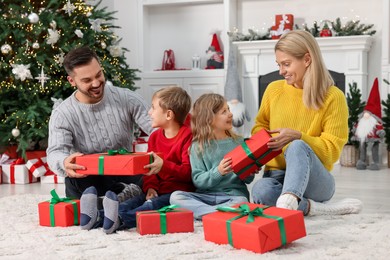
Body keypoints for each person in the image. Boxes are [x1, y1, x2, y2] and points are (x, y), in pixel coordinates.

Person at [251, 30, 362, 216]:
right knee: (261, 191)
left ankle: (291, 199)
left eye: (286, 64)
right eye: (278, 64)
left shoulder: (333, 97)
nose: (281, 71)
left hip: (315, 180)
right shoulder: (273, 90)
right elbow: (259, 125)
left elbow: (331, 151)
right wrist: (265, 141)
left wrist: (297, 136)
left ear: (307, 59)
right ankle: (314, 208)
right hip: (277, 175)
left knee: (297, 145)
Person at [79, 86, 195, 233]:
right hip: (158, 190)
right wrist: (151, 187)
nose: (149, 112)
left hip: (177, 194)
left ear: (169, 115)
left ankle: (120, 220)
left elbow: (188, 173)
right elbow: (148, 169)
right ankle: (97, 217)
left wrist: (164, 165)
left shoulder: (187, 137)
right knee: (132, 202)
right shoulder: (154, 137)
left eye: (153, 108)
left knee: (149, 206)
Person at [46, 46, 153, 201]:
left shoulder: (127, 98)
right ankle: (117, 201)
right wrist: (64, 162)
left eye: (99, 75)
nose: (96, 83)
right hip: (90, 177)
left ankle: (111, 202)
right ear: (72, 81)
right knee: (75, 180)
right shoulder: (62, 114)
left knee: (151, 175)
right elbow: (55, 151)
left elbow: (159, 129)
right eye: (87, 80)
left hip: (126, 173)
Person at [169, 93, 256, 220]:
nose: (230, 114)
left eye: (229, 109)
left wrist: (250, 170)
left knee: (242, 201)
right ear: (209, 118)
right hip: (206, 197)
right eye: (224, 111)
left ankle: (209, 214)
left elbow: (248, 180)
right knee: (175, 197)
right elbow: (198, 181)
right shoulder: (197, 147)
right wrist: (218, 172)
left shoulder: (240, 142)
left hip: (232, 196)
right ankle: (218, 214)